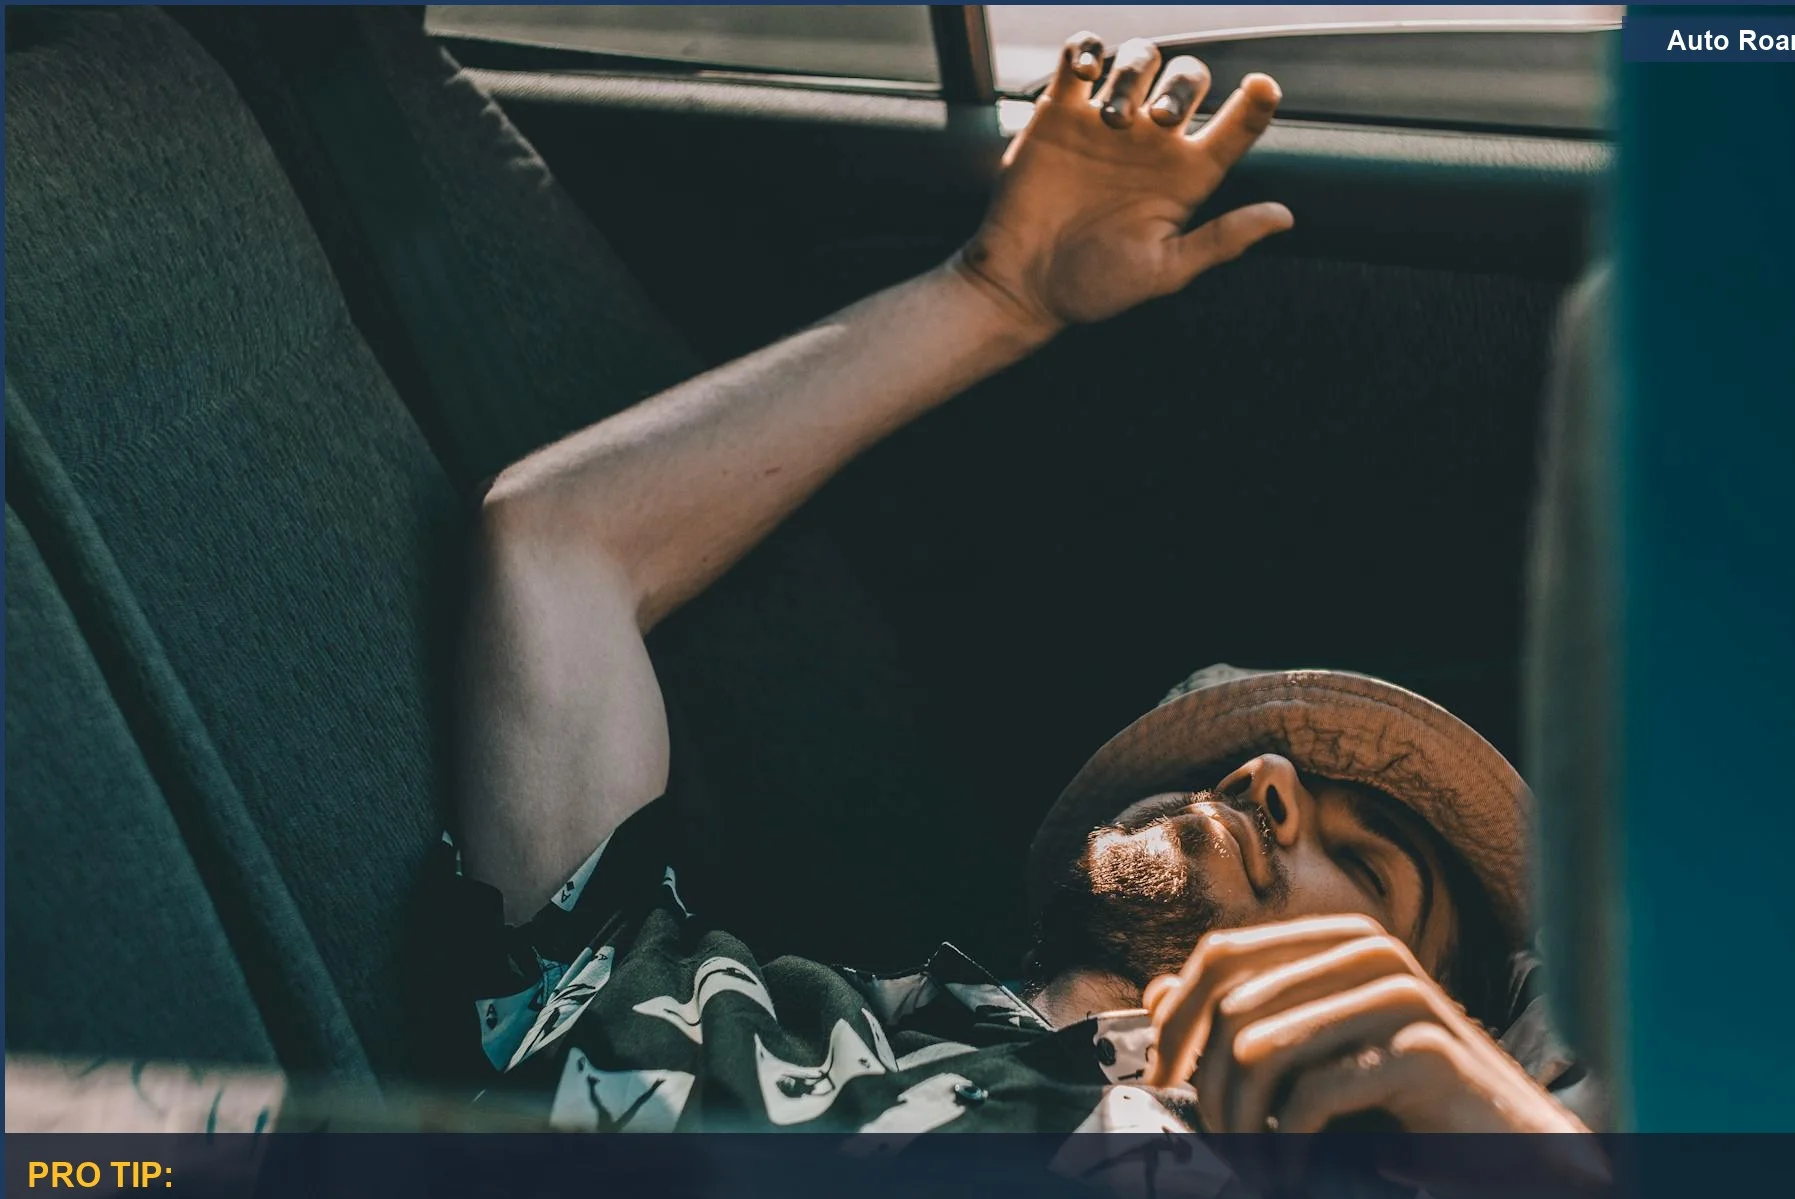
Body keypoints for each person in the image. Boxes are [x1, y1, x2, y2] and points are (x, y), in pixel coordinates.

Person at [450, 34, 1598, 1137]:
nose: (1270, 778)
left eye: (1366, 869)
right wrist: (997, 293)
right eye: (1256, 771)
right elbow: (560, 543)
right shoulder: (710, 1008)